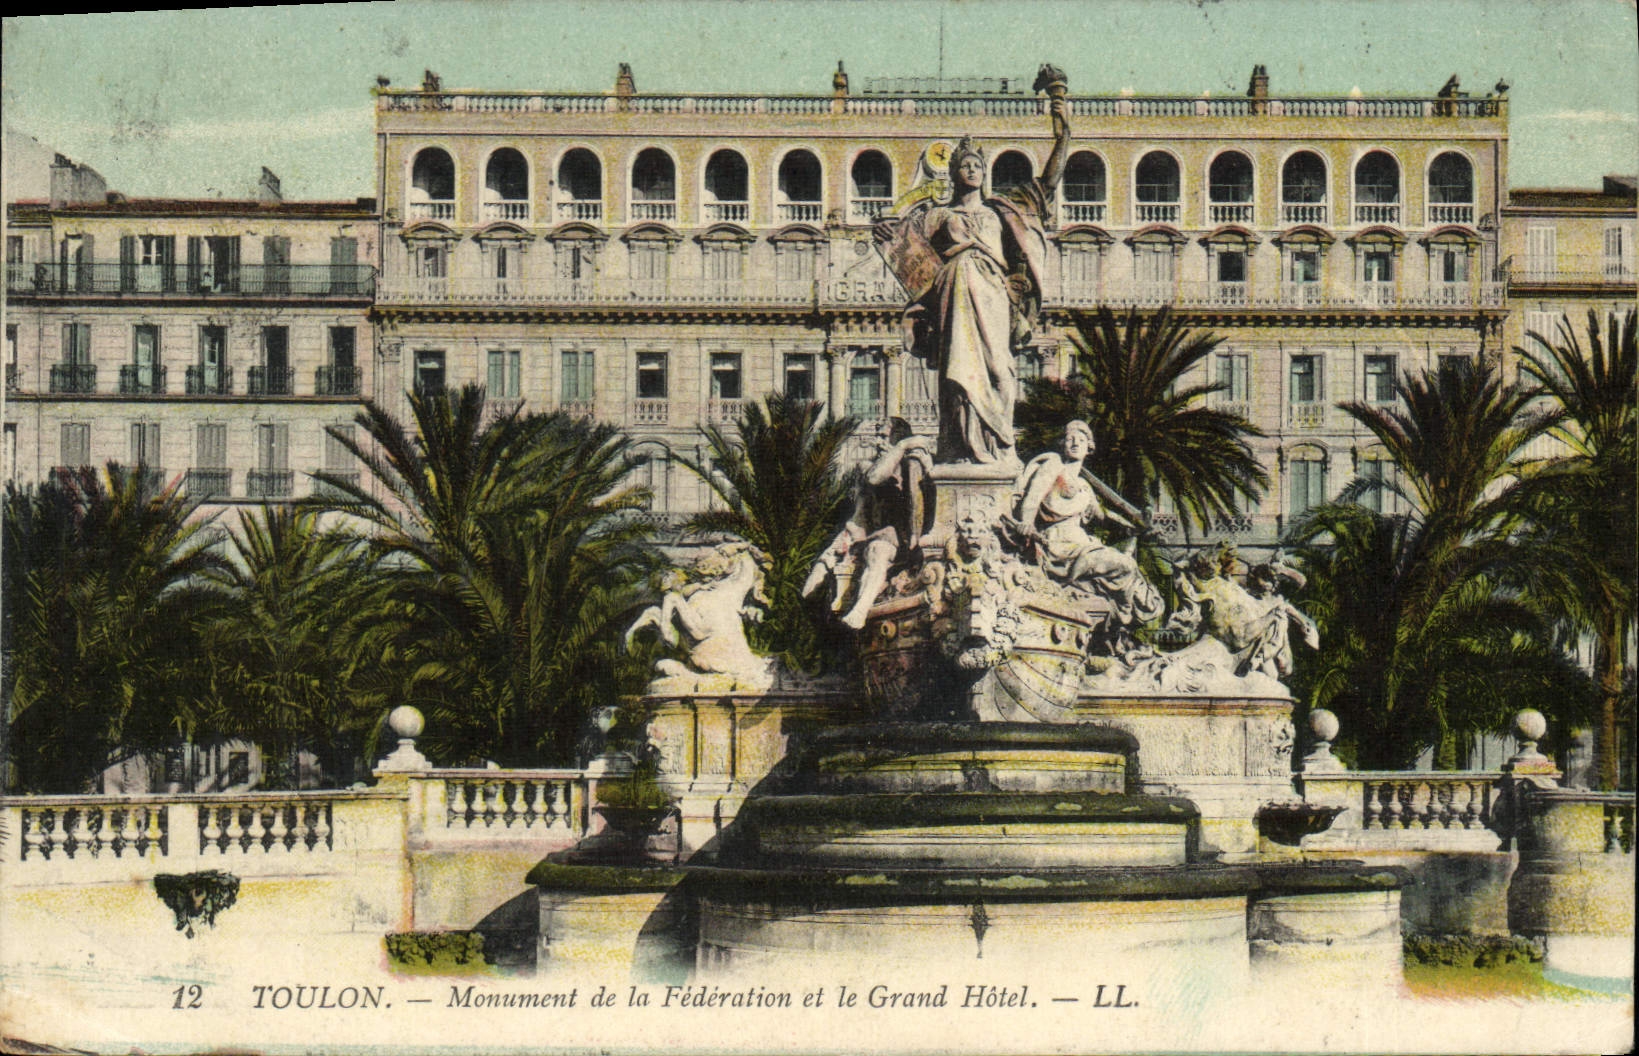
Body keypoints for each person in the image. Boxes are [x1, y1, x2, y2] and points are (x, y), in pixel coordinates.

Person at [874, 89, 1071, 466]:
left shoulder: (1002, 211)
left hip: (994, 297)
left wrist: (1063, 134)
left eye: (977, 164)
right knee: (956, 378)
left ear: (985, 172)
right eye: (964, 164)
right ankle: (959, 449)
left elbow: (1047, 183)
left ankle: (999, 447)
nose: (972, 169)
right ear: (953, 172)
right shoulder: (935, 217)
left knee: (999, 369)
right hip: (952, 299)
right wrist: (885, 233)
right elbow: (904, 250)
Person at [1006, 420, 1163, 628]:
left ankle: (1123, 619)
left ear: (1089, 447)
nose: (1075, 443)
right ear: (1062, 443)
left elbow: (1103, 517)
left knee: (1128, 567)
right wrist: (1026, 522)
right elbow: (1033, 498)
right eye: (1070, 438)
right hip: (1058, 545)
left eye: (1081, 439)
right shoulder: (1053, 466)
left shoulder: (1084, 486)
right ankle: (1123, 617)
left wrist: (1134, 527)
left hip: (1082, 544)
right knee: (1125, 565)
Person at [803, 419, 933, 629]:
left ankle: (859, 611)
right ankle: (803, 607)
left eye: (883, 436)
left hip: (897, 539)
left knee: (877, 552)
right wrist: (850, 534)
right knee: (825, 559)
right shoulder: (874, 465)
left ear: (898, 439)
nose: (877, 441)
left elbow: (879, 481)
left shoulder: (911, 465)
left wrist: (901, 447)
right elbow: (862, 507)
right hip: (870, 533)